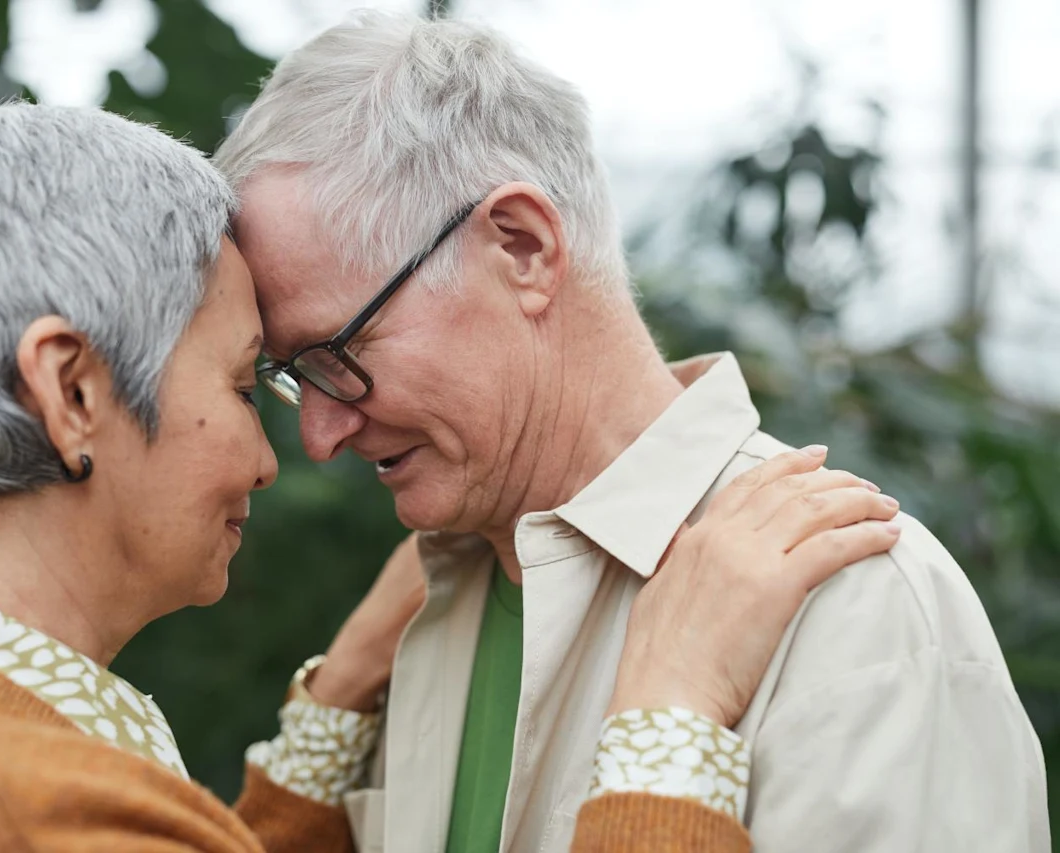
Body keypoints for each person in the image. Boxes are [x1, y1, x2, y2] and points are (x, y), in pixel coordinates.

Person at [0, 101, 901, 852]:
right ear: (72, 391)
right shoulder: (2, 801)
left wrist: (338, 696)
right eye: (239, 380)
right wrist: (669, 715)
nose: (282, 453)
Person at [215, 11, 1050, 853]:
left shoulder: (855, 607)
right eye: (295, 376)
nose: (318, 434)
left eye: (338, 352)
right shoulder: (421, 609)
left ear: (523, 246)